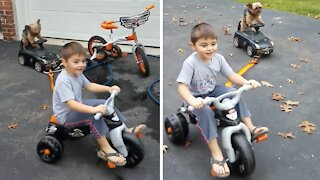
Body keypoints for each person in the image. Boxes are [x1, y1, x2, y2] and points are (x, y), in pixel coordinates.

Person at [176, 23, 268, 177]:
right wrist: (192, 100)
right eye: (204, 45)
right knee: (205, 112)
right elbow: (182, 88)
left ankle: (251, 128)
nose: (210, 48)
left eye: (213, 44)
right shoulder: (190, 63)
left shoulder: (218, 59)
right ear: (193, 46)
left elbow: (231, 76)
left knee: (233, 92)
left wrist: (246, 83)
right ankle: (216, 153)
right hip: (197, 97)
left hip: (212, 91)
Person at [52, 42, 145, 166]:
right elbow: (71, 104)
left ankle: (126, 130)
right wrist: (93, 110)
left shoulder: (77, 73)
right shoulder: (64, 81)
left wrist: (108, 89)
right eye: (76, 62)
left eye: (83, 61)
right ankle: (105, 149)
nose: (81, 65)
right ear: (64, 62)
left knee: (104, 104)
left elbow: (89, 86)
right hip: (66, 115)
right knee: (93, 116)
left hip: (77, 105)